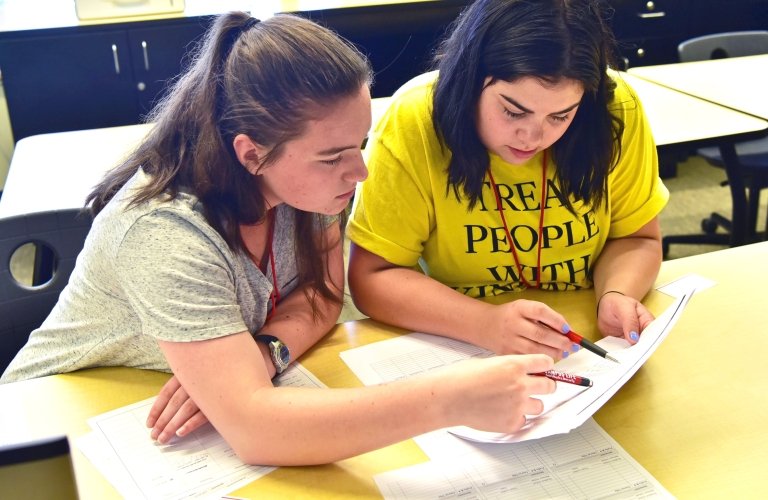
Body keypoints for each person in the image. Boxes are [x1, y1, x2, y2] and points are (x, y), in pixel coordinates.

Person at [1, 12, 557, 466]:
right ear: (251, 153)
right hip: (67, 429)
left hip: (177, 411)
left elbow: (321, 296)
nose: (358, 172)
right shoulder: (164, 231)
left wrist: (259, 356)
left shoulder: (307, 189)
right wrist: (452, 399)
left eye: (358, 143)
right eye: (334, 155)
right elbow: (260, 433)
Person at [347, 0, 669, 360]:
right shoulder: (416, 119)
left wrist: (618, 294)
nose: (532, 137)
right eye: (513, 111)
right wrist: (484, 323)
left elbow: (637, 237)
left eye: (561, 117)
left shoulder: (612, 109)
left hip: (581, 338)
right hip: (460, 339)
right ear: (471, 78)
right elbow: (373, 275)